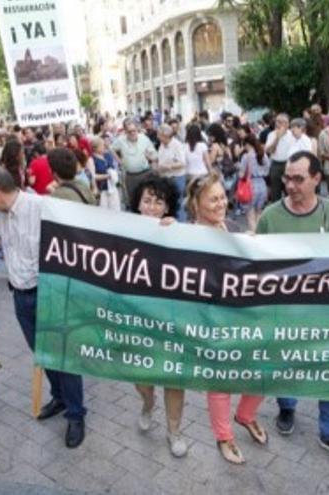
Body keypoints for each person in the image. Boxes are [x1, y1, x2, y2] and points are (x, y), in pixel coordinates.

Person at [0, 167, 87, 448]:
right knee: (42, 353)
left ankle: (76, 414)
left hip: (49, 294)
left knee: (63, 356)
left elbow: (77, 243)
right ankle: (60, 398)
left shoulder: (42, 207)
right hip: (20, 295)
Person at [255, 151, 329, 463]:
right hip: (285, 314)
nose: (290, 185)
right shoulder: (270, 217)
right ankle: (287, 407)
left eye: (299, 178)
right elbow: (255, 266)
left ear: (317, 179)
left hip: (328, 314)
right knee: (285, 364)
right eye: (287, 177)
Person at [186, 173, 266, 464]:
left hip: (244, 316)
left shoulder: (233, 227)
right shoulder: (185, 237)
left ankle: (246, 415)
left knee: (263, 371)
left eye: (222, 197)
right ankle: (224, 437)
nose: (221, 203)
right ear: (196, 204)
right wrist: (163, 231)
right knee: (220, 381)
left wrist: (256, 248)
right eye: (213, 199)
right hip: (210, 320)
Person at [128, 174, 188, 457]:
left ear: (167, 207)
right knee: (141, 378)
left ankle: (174, 430)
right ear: (138, 204)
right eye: (147, 200)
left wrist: (176, 233)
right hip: (138, 320)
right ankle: (147, 404)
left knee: (174, 379)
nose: (152, 207)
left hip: (172, 320)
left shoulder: (177, 231)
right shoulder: (122, 232)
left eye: (159, 202)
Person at [110, 119, 157, 207]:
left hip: (145, 174)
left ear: (137, 130)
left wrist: (150, 157)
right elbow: (111, 148)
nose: (132, 133)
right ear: (125, 132)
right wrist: (119, 161)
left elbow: (154, 154)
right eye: (129, 131)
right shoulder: (121, 140)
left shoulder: (144, 138)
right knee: (133, 200)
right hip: (131, 176)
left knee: (147, 199)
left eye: (134, 130)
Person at [237, 134, 270, 232]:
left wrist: (238, 168)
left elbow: (241, 175)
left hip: (250, 185)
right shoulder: (263, 154)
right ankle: (260, 235)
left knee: (250, 215)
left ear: (247, 144)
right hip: (262, 185)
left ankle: (255, 238)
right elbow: (267, 170)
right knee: (259, 213)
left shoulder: (246, 157)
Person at [155, 124, 187, 220]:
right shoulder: (162, 144)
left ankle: (181, 226)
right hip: (165, 178)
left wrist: (167, 167)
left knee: (178, 204)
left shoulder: (177, 145)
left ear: (164, 135)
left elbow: (182, 163)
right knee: (169, 204)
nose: (157, 137)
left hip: (176, 178)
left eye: (159, 135)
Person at [265, 113, 295, 203]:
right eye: (277, 121)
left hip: (289, 163)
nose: (278, 124)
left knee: (289, 190)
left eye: (281, 122)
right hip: (276, 164)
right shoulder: (271, 134)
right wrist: (277, 138)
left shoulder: (292, 135)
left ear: (287, 124)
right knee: (275, 191)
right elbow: (270, 151)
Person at [91, 137, 120, 211]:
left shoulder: (107, 155)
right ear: (95, 148)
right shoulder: (92, 159)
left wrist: (113, 174)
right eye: (102, 145)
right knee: (104, 211)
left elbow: (114, 166)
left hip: (112, 187)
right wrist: (108, 176)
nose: (104, 146)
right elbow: (93, 176)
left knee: (115, 210)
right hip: (102, 190)